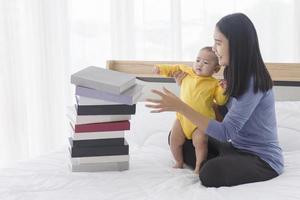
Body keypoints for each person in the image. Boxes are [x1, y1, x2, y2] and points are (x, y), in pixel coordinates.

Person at [146, 13, 284, 187]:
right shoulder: (231, 74)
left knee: (209, 173)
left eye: (218, 43)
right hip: (235, 148)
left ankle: (218, 164)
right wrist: (193, 93)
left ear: (236, 45)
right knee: (178, 139)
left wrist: (181, 107)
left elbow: (226, 132)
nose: (214, 49)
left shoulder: (253, 82)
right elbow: (220, 115)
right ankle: (222, 161)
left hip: (261, 160)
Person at [152, 47, 228, 174]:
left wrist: (224, 91)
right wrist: (160, 69)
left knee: (201, 143)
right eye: (198, 60)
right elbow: (173, 69)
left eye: (205, 63)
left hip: (200, 122)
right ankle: (178, 162)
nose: (199, 64)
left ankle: (198, 167)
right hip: (182, 118)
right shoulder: (187, 72)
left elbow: (220, 101)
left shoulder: (214, 84)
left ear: (216, 69)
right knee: (174, 140)